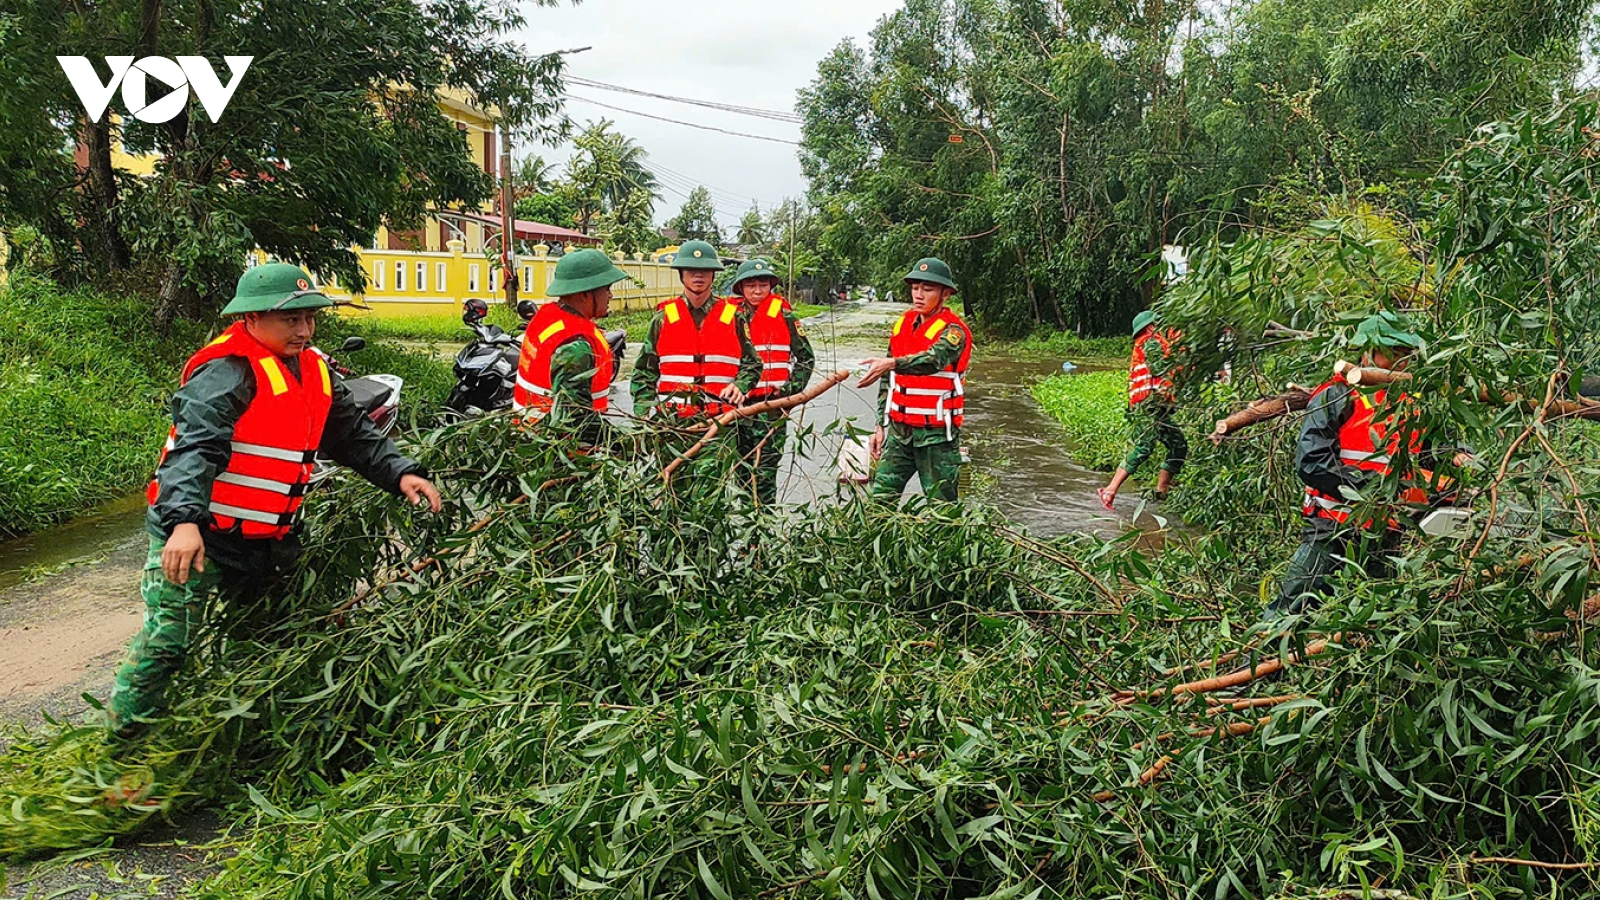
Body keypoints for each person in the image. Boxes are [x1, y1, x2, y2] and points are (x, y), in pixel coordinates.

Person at [114, 263, 442, 740]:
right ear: (250, 317)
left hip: (267, 540)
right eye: (290, 319)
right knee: (168, 642)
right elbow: (194, 449)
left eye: (309, 318)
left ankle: (245, 739)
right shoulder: (226, 371)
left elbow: (352, 434)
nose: (304, 329)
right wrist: (183, 522)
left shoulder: (315, 370)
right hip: (199, 534)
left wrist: (402, 472)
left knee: (268, 642)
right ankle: (123, 747)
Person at [1266, 312, 1469, 619]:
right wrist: (1380, 488)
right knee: (1289, 616)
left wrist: (1456, 459)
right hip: (1333, 529)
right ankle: (1259, 663)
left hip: (1385, 535)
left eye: (1406, 355)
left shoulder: (1411, 404)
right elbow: (1312, 461)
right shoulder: (1336, 396)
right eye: (1392, 355)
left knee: (1380, 622)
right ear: (1366, 353)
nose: (1401, 363)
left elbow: (1434, 452)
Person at [858, 258, 972, 503]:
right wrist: (880, 424)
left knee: (942, 511)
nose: (919, 295)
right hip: (900, 433)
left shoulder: (954, 332)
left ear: (945, 294)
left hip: (938, 437)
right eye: (915, 288)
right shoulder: (903, 324)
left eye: (927, 289)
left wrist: (892, 363)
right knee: (879, 502)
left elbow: (932, 360)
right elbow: (888, 381)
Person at [630, 240, 761, 423]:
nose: (698, 275)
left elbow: (752, 364)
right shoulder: (663, 318)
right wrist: (644, 414)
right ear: (681, 274)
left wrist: (740, 386)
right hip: (673, 424)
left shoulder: (733, 317)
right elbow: (644, 372)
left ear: (714, 275)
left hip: (722, 423)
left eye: (705, 270)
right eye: (691, 270)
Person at [512, 248, 630, 444]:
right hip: (559, 449)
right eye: (606, 289)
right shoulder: (575, 348)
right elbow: (575, 419)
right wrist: (623, 443)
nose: (610, 295)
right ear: (584, 294)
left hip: (531, 436)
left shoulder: (549, 317)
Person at [728, 259, 816, 505]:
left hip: (771, 407)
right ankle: (748, 531)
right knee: (741, 470)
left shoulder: (785, 315)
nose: (757, 291)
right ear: (741, 288)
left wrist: (789, 392)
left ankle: (762, 533)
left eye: (763, 285)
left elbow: (806, 359)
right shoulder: (729, 316)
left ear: (770, 287)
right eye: (751, 285)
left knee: (765, 472)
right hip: (737, 406)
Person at [1098, 310, 1188, 510]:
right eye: (1158, 323)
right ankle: (1109, 490)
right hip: (1147, 406)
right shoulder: (1151, 342)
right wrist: (1180, 353)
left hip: (1157, 406)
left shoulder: (1151, 342)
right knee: (1143, 448)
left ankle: (1162, 489)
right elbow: (1159, 367)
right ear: (1150, 327)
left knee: (1178, 445)